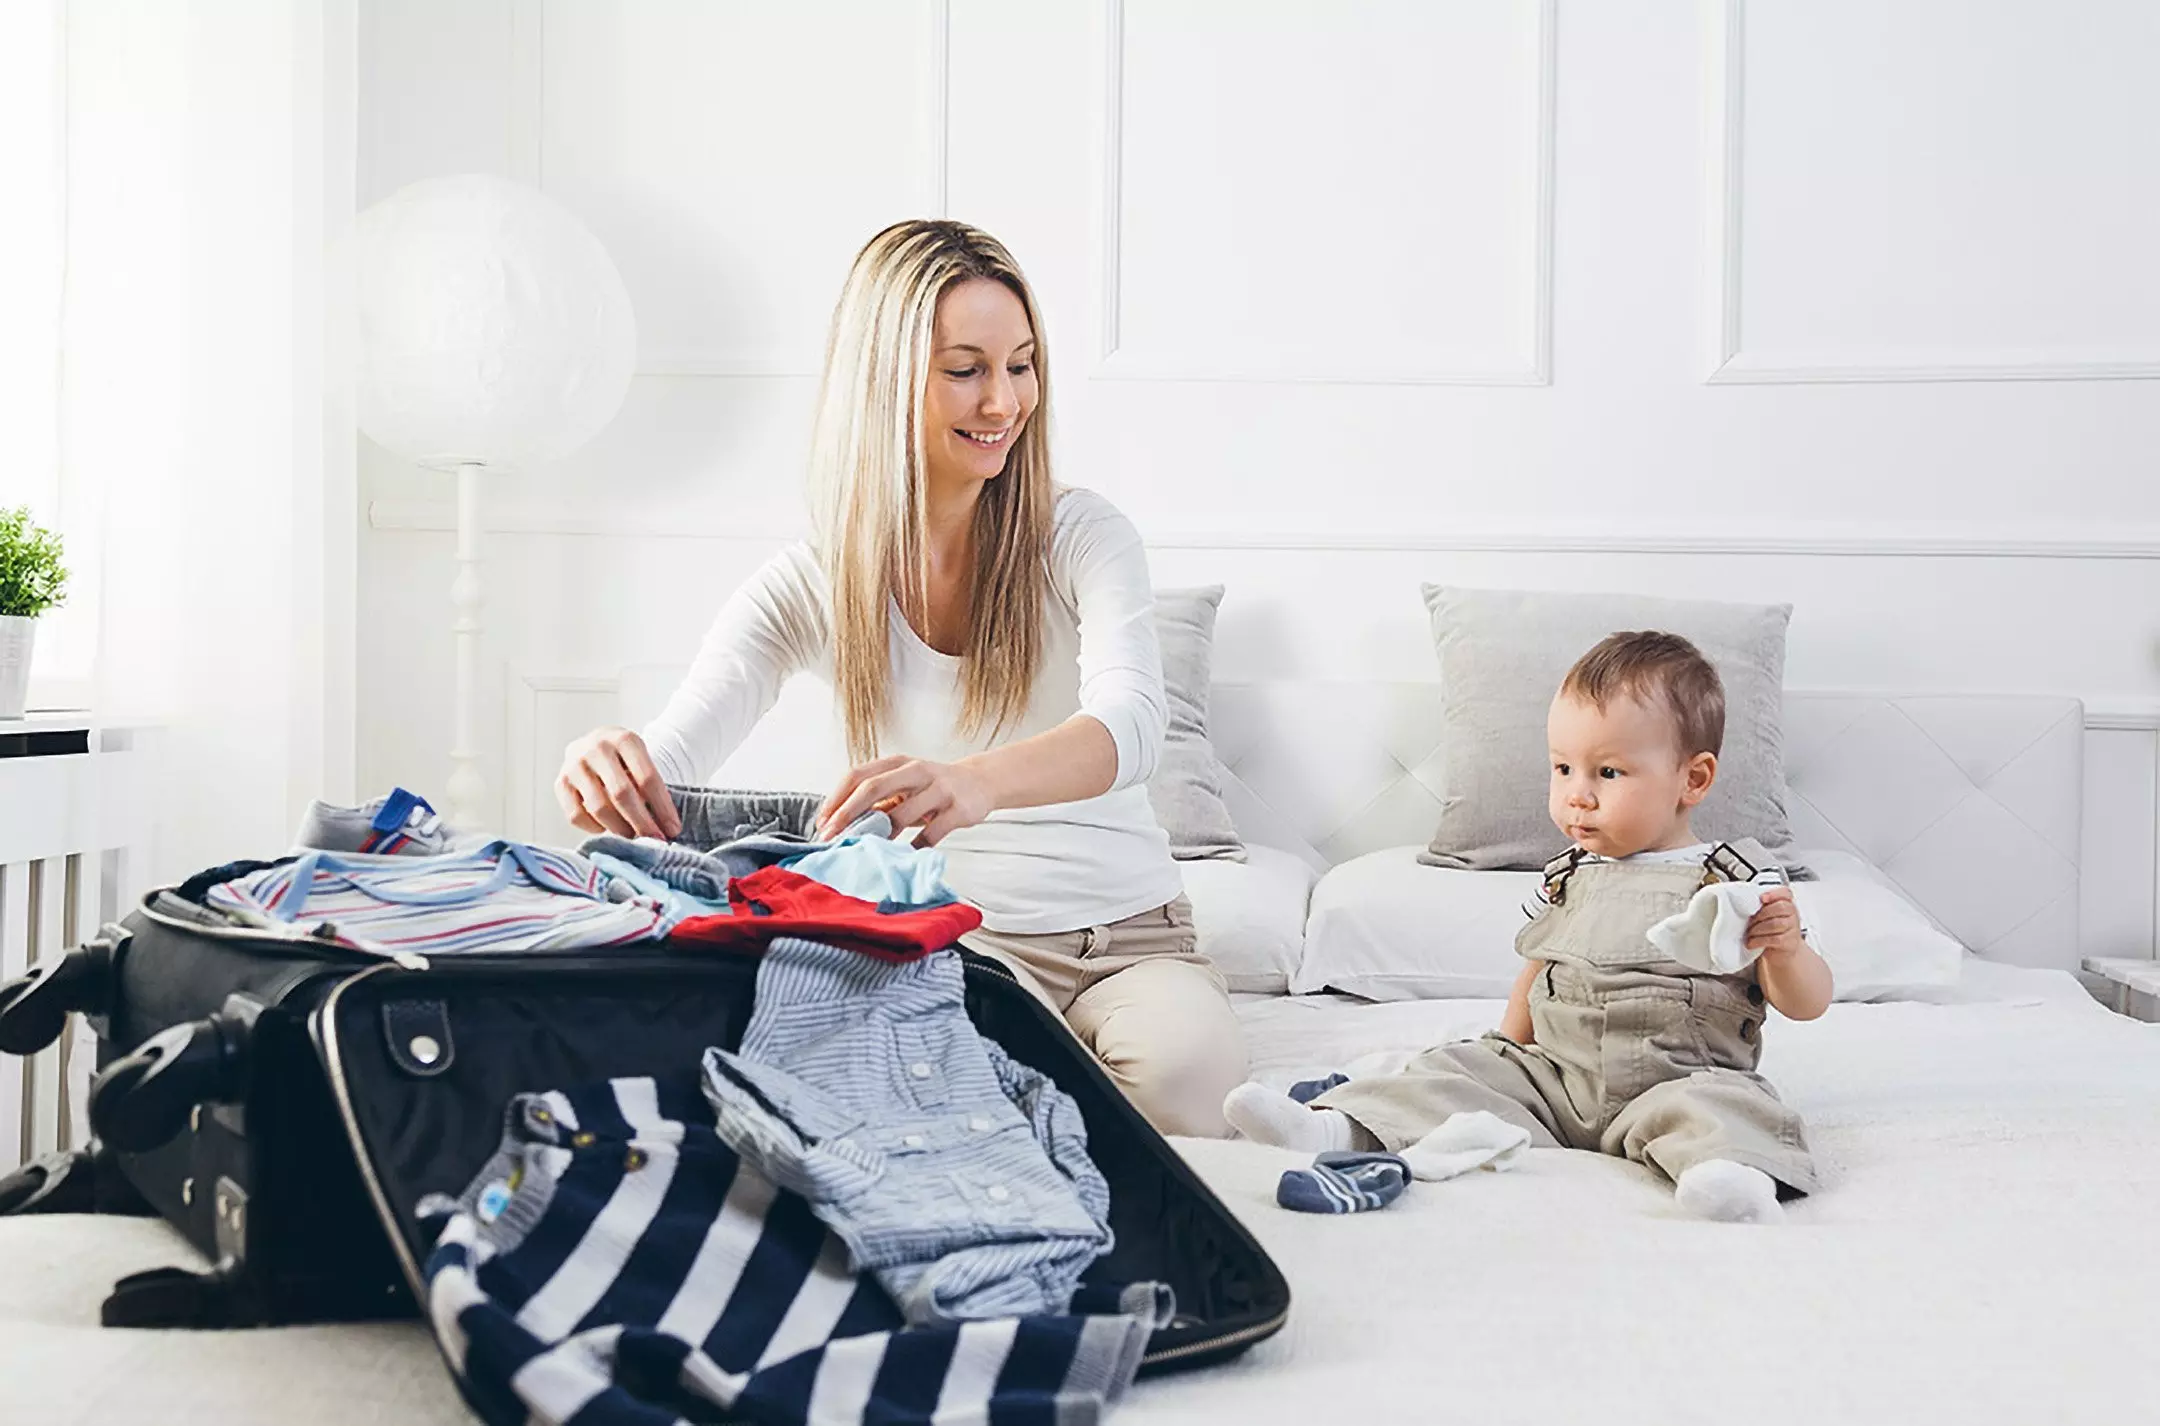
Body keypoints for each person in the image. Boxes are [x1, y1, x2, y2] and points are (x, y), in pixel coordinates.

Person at [556, 218, 1247, 1137]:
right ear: (884, 381)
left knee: (1190, 1093)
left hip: (1132, 939)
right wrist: (609, 766)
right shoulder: (814, 582)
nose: (1004, 401)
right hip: (958, 946)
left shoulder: (1082, 534)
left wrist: (974, 783)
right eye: (966, 369)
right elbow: (674, 756)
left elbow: (1132, 723)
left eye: (1022, 365)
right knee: (922, 1108)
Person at [1224, 631, 1833, 1221]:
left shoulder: (1734, 881)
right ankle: (1337, 1126)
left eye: (1608, 773)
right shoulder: (1569, 875)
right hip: (1558, 1079)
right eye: (1563, 768)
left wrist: (1783, 949)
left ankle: (1726, 1176)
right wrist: (1505, 1052)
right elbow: (1541, 968)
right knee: (1458, 1072)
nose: (1577, 795)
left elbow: (1806, 1002)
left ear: (1692, 779)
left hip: (1677, 1078)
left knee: (1728, 1106)